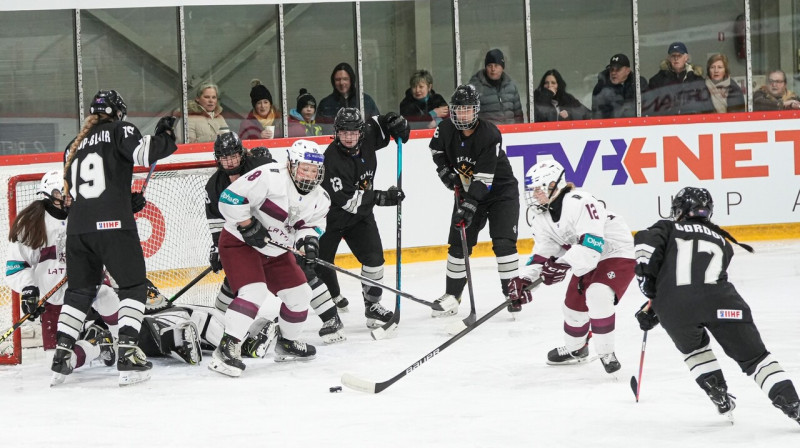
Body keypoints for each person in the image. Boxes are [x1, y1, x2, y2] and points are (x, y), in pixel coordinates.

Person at [633, 187, 800, 424]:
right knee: (756, 359)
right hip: (723, 304)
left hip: (675, 309)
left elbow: (651, 252)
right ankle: (791, 402)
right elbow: (698, 282)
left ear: (679, 209)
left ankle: (716, 390)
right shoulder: (723, 242)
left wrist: (649, 290)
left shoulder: (667, 227)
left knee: (694, 350)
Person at [56, 89, 178, 386]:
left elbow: (85, 191)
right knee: (133, 286)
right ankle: (127, 351)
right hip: (113, 226)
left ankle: (61, 353)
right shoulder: (121, 129)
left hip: (78, 230)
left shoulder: (73, 144)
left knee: (79, 292)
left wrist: (124, 198)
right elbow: (144, 153)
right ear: (117, 112)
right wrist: (165, 137)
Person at [205, 133, 345, 347]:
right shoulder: (270, 176)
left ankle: (287, 343)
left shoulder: (322, 199)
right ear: (291, 164)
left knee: (301, 295)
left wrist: (308, 242)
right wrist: (248, 225)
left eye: (313, 170)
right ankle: (228, 347)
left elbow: (311, 226)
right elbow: (229, 199)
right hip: (241, 243)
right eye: (304, 168)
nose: (309, 175)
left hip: (276, 250)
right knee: (254, 291)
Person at [507, 160, 635, 374]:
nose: (535, 194)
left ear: (553, 186)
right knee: (573, 307)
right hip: (583, 256)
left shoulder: (580, 202)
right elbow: (544, 251)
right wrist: (526, 280)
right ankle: (577, 350)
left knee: (598, 294)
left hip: (615, 251)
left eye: (539, 189)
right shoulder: (541, 216)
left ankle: (606, 352)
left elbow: (593, 245)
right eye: (533, 190)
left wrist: (562, 263)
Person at [429, 84, 520, 317]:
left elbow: (484, 180)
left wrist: (469, 206)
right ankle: (452, 295)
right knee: (459, 243)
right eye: (459, 109)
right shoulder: (445, 129)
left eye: (468, 109)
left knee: (503, 243)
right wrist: (445, 173)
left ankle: (512, 292)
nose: (464, 114)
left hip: (501, 192)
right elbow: (436, 151)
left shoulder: (490, 134)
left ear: (476, 110)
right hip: (468, 189)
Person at [315, 107, 409, 329]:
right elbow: (349, 202)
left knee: (375, 261)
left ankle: (372, 305)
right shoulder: (331, 160)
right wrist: (382, 197)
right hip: (330, 217)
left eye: (353, 132)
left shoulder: (367, 136)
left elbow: (381, 121)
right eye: (343, 132)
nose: (348, 137)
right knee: (318, 265)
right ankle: (330, 308)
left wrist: (397, 122)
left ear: (361, 132)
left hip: (361, 217)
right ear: (336, 132)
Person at [6, 170, 120, 351]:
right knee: (58, 358)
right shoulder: (31, 224)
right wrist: (29, 291)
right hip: (52, 297)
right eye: (61, 193)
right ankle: (97, 343)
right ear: (48, 195)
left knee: (105, 294)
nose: (68, 197)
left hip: (86, 286)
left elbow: (111, 231)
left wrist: (130, 207)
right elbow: (15, 268)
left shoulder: (85, 215)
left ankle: (122, 339)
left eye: (70, 192)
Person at [645, 42, 706, 116]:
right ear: (668, 58)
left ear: (686, 57)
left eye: (679, 56)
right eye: (673, 56)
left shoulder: (696, 79)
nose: (676, 59)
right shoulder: (657, 80)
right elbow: (651, 107)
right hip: (667, 124)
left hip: (691, 124)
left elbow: (704, 104)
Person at [468, 49, 524, 125]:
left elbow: (518, 116)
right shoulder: (475, 88)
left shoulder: (511, 86)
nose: (493, 69)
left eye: (496, 65)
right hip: (487, 134)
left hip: (511, 134)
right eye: (489, 66)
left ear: (502, 67)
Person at [591, 53, 649, 119]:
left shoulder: (639, 83)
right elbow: (598, 115)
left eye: (618, 70)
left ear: (627, 71)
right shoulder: (601, 87)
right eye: (611, 69)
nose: (613, 73)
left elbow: (648, 106)